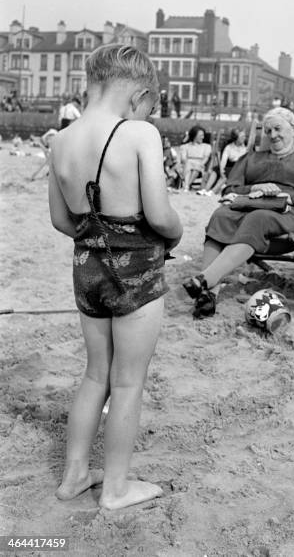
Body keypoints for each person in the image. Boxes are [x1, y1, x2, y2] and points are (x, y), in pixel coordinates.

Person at [48, 43, 183, 509]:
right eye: (150, 106)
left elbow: (62, 222)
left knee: (94, 376)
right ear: (139, 96)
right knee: (128, 382)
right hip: (137, 270)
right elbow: (160, 215)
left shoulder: (60, 140)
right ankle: (118, 488)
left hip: (86, 268)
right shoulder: (139, 134)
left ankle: (74, 476)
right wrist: (178, 231)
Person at [182, 107, 294, 318]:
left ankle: (205, 280)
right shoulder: (252, 158)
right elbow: (230, 188)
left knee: (258, 218)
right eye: (268, 131)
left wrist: (288, 197)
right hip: (251, 207)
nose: (272, 135)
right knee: (221, 215)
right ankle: (207, 295)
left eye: (277, 129)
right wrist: (253, 188)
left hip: (292, 214)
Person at [207, 128, 248, 195]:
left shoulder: (246, 148)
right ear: (236, 138)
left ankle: (213, 191)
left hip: (241, 168)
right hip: (231, 166)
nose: (244, 138)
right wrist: (221, 170)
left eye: (244, 136)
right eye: (242, 136)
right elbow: (223, 160)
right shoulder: (229, 147)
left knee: (226, 174)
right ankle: (206, 189)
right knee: (216, 169)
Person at [180, 125, 212, 193]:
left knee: (196, 167)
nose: (203, 137)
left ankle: (186, 185)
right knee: (188, 164)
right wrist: (189, 163)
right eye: (200, 135)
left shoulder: (206, 147)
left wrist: (199, 164)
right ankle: (187, 186)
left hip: (199, 166)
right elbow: (183, 158)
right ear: (194, 136)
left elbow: (206, 158)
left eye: (203, 135)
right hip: (187, 166)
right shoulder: (185, 146)